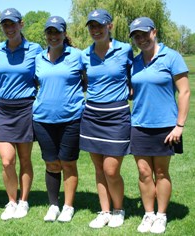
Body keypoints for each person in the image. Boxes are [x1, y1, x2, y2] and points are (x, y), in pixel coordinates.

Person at [129, 17, 190, 234]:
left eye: (144, 34)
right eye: (136, 36)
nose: (141, 39)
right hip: (139, 124)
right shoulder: (135, 62)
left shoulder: (171, 57)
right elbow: (132, 90)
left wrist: (179, 125)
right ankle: (148, 214)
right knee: (144, 172)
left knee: (162, 172)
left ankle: (161, 215)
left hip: (166, 126)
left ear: (154, 32)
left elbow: (184, 92)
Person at [79, 9, 133, 228]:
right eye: (92, 26)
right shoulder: (84, 54)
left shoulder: (125, 49)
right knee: (99, 169)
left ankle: (118, 209)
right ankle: (104, 211)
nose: (96, 30)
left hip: (117, 115)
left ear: (109, 26)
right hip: (91, 115)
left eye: (100, 25)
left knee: (111, 169)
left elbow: (134, 77)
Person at [33, 16, 85, 222]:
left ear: (64, 34)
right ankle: (54, 205)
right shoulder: (38, 58)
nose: (53, 36)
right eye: (50, 32)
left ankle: (68, 206)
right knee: (51, 163)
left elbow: (88, 80)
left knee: (68, 163)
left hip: (71, 118)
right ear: (45, 35)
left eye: (57, 32)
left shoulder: (78, 56)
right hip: (43, 119)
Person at [0, 8, 42, 220]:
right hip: (3, 108)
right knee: (7, 160)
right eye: (5, 24)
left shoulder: (35, 49)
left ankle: (23, 201)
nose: (9, 28)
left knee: (24, 158)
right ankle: (11, 201)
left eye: (13, 24)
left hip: (25, 108)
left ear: (21, 24)